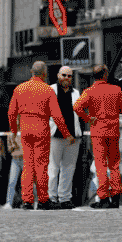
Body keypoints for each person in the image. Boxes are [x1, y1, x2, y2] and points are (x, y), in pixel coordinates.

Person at [7, 60, 75, 210]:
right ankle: (43, 200)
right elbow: (57, 116)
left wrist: (13, 132)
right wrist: (67, 134)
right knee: (41, 166)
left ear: (31, 72)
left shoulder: (20, 88)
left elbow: (12, 113)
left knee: (28, 166)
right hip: (41, 130)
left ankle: (27, 201)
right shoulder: (47, 90)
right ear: (44, 74)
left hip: (25, 130)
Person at [73, 64, 122, 209]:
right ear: (105, 74)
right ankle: (115, 197)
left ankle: (103, 198)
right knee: (114, 164)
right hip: (113, 131)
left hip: (98, 132)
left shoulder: (89, 91)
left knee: (100, 165)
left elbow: (77, 107)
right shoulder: (115, 90)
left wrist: (88, 118)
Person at [47, 66, 83, 210]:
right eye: (64, 75)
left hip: (73, 136)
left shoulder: (76, 93)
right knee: (53, 167)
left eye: (69, 76)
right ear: (58, 75)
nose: (67, 78)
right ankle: (51, 197)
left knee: (69, 167)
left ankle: (65, 198)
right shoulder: (51, 90)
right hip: (55, 134)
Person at [4, 123, 24, 209]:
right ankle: (9, 203)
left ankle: (34, 201)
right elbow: (9, 148)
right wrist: (13, 146)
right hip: (15, 159)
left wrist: (18, 147)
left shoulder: (24, 132)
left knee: (30, 181)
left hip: (25, 159)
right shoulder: (10, 134)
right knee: (12, 181)